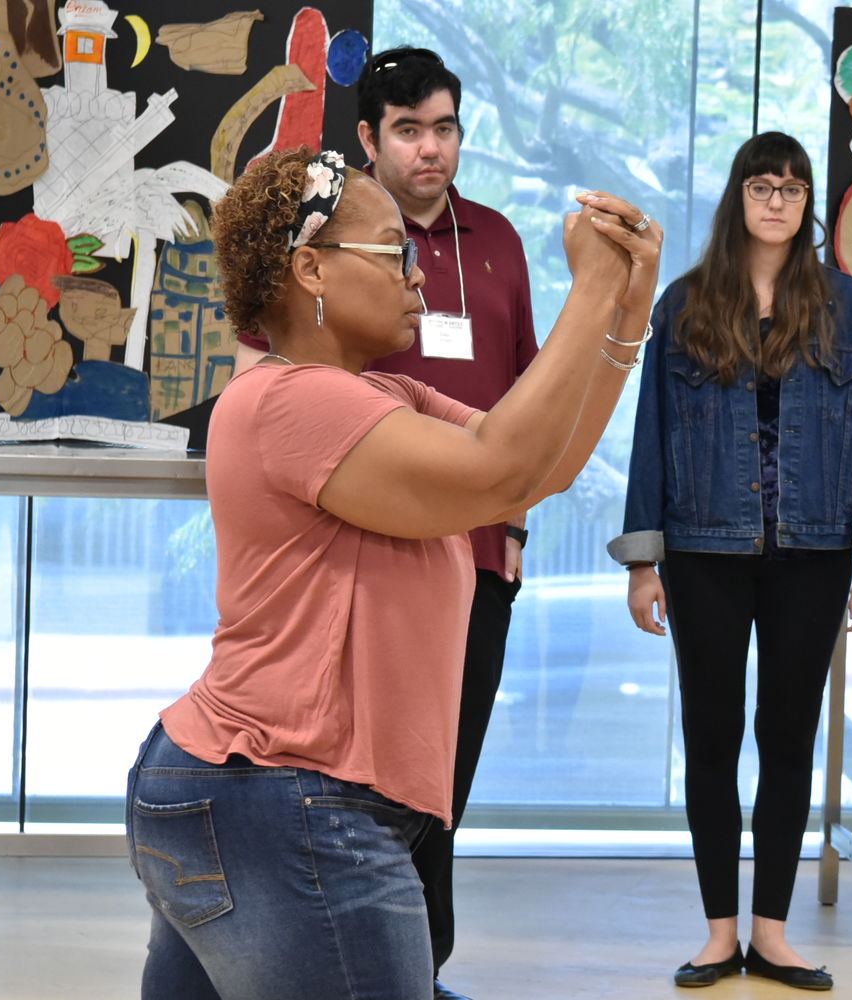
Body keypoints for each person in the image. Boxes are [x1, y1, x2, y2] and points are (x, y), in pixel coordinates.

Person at [127, 146, 661, 999]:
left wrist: (625, 306)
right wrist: (592, 290)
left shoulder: (385, 397)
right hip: (293, 796)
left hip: (251, 793)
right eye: (396, 254)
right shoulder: (290, 399)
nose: (419, 279)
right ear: (311, 269)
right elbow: (500, 469)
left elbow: (542, 466)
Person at [235, 48, 538, 1000]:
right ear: (367, 141)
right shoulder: (317, 241)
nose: (431, 148)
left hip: (476, 550)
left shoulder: (494, 240)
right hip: (357, 538)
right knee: (358, 780)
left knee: (439, 781)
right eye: (409, 130)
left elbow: (523, 407)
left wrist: (512, 529)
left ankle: (420, 963)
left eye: (444, 127)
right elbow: (268, 384)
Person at [608, 131, 852, 992]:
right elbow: (651, 438)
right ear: (738, 196)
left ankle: (771, 933)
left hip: (812, 553)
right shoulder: (686, 302)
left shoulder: (850, 308)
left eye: (792, 186)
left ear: (809, 201)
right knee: (711, 737)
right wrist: (642, 560)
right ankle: (718, 932)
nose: (777, 199)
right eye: (761, 184)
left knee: (788, 738)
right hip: (702, 550)